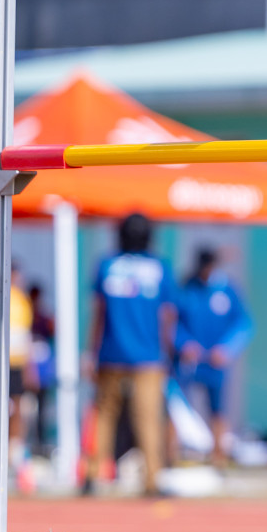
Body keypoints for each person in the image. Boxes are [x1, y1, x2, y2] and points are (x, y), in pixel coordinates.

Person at [85, 213, 177, 497]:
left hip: (111, 352)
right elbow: (167, 316)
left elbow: (99, 314)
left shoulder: (107, 265)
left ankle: (91, 475)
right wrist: (168, 351)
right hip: (148, 356)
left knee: (103, 415)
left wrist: (91, 351)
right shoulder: (159, 267)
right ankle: (151, 480)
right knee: (148, 418)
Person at [174, 249, 253, 469]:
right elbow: (171, 322)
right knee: (175, 407)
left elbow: (244, 324)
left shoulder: (227, 290)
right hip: (188, 362)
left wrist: (227, 349)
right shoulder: (186, 288)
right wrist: (184, 344)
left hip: (216, 362)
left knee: (218, 411)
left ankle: (219, 458)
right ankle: (170, 456)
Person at [6, 262, 33, 466]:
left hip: (17, 361)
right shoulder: (2, 296)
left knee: (17, 406)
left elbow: (26, 336)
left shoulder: (23, 301)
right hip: (2, 362)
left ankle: (14, 447)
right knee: (2, 407)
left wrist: (29, 366)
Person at [27, 284, 55, 456]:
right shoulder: (25, 316)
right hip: (28, 371)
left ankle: (40, 444)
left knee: (42, 412)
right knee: (26, 412)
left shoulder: (44, 319)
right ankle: (26, 446)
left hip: (42, 373)